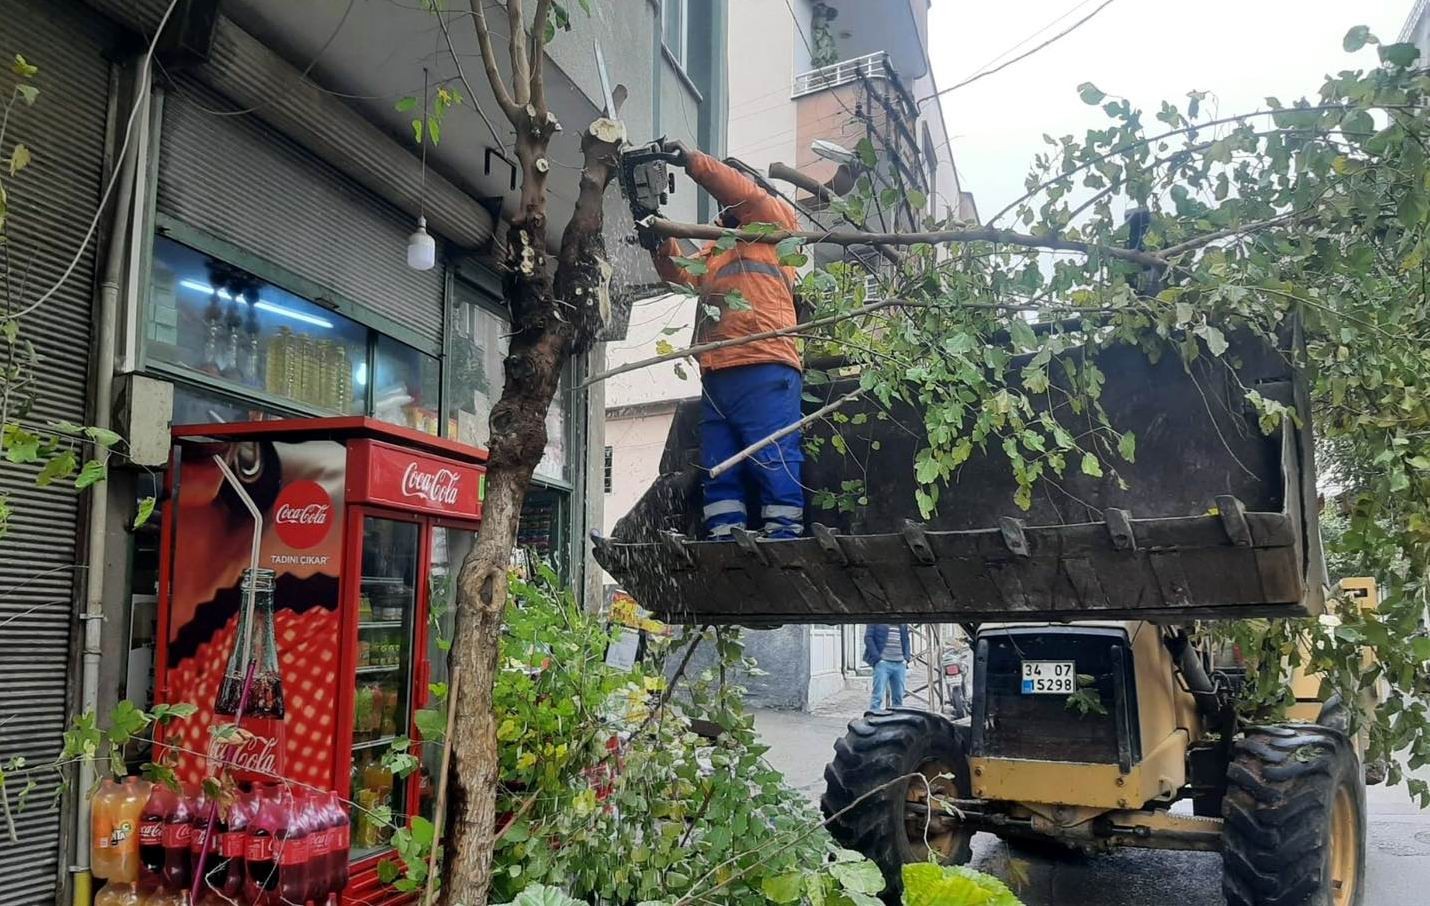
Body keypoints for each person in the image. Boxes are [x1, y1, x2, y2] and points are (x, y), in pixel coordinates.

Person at [644, 140, 805, 540]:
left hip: (765, 362)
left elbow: (745, 194)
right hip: (719, 371)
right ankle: (723, 533)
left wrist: (694, 162)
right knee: (722, 463)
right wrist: (658, 239)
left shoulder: (775, 224)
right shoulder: (716, 250)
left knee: (773, 456)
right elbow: (680, 276)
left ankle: (784, 534)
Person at [864, 623, 911, 712]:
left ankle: (896, 720)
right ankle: (873, 719)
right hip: (883, 663)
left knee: (898, 696)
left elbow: (906, 640)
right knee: (877, 695)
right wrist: (877, 658)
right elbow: (868, 638)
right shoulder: (876, 619)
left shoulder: (902, 622)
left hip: (900, 663)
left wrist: (906, 659)